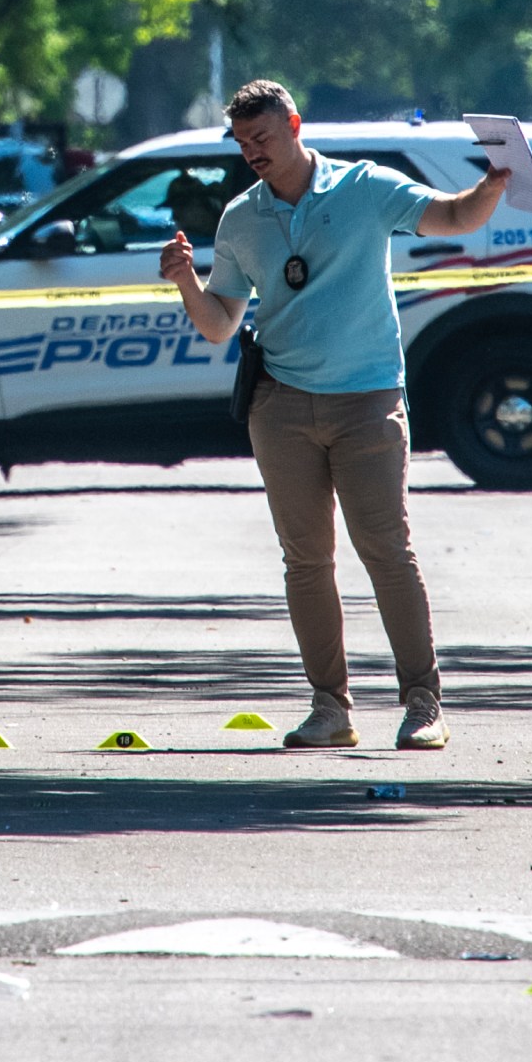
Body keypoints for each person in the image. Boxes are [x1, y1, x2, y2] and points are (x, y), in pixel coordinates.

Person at [160, 81, 507, 750]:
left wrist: (493, 184)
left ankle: (423, 701)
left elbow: (455, 217)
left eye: (262, 137)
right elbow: (218, 324)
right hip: (281, 405)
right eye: (241, 143)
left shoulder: (365, 187)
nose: (252, 152)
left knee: (386, 551)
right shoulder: (241, 217)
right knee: (305, 560)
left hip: (367, 397)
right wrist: (185, 282)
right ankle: (330, 707)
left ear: (294, 125)